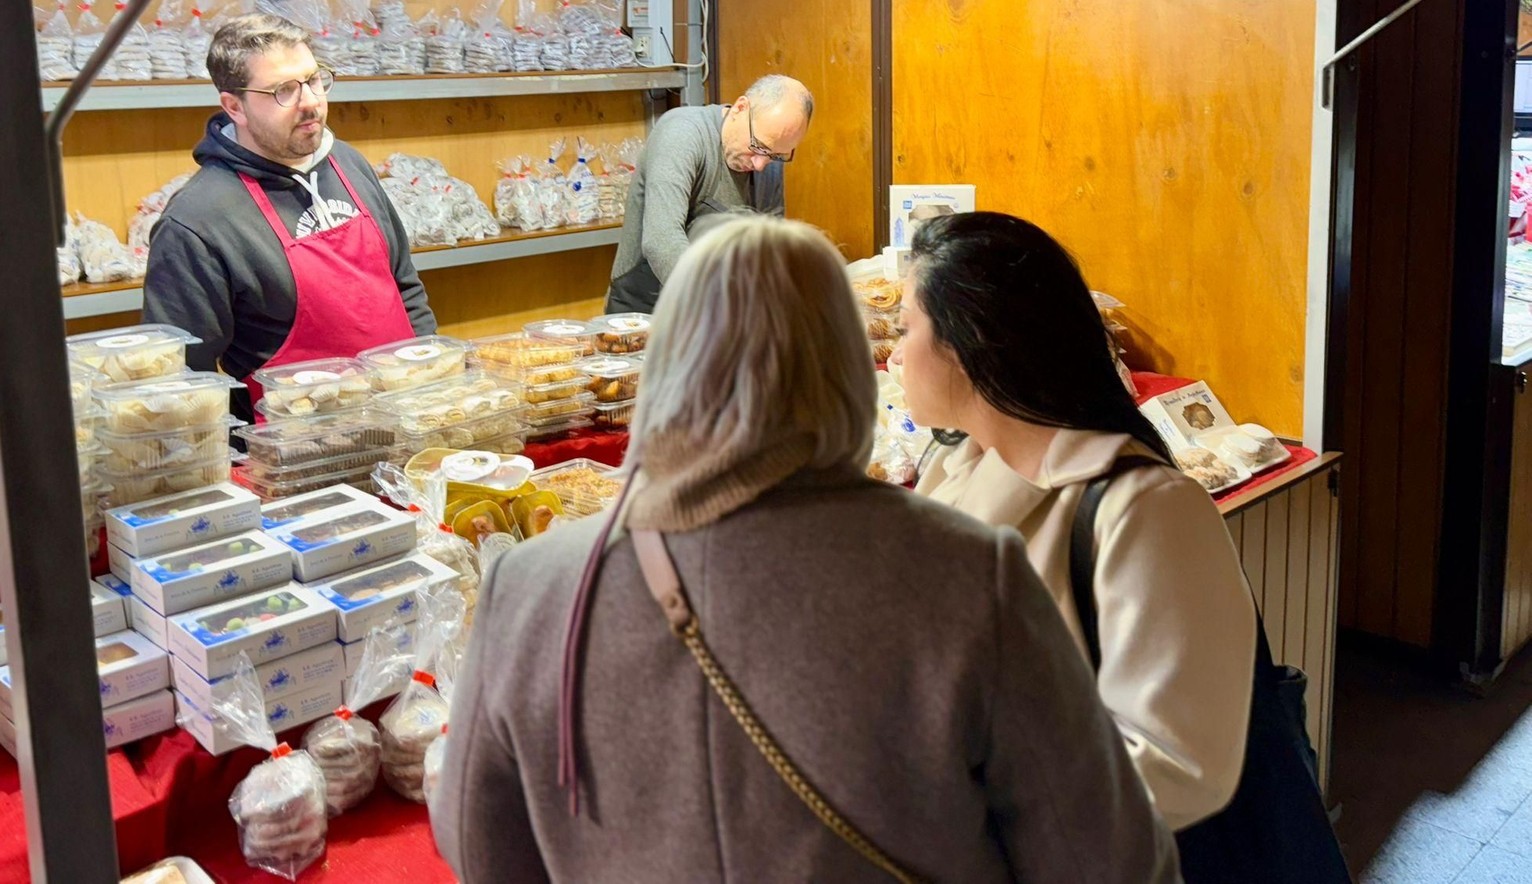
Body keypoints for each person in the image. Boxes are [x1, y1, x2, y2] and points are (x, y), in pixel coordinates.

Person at [431, 216, 1179, 884]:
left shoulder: (528, 588)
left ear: (664, 367)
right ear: (849, 364)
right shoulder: (969, 574)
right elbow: (1107, 861)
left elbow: (482, 847)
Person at [894, 214, 1265, 829]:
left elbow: (1177, 769)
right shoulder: (948, 468)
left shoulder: (1145, 510)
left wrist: (953, 787)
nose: (894, 357)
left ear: (969, 343)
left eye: (906, 329)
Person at [143, 14, 434, 414]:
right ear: (234, 106)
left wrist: (432, 379)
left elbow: (405, 286)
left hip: (407, 415)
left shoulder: (348, 163)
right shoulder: (196, 222)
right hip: (298, 451)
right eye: (284, 91)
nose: (311, 102)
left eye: (314, 80)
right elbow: (184, 383)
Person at [604, 75, 812, 313]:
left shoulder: (768, 156)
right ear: (740, 109)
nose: (761, 164)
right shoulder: (682, 134)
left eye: (777, 155)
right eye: (758, 146)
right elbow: (661, 240)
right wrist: (719, 307)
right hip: (648, 308)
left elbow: (771, 246)